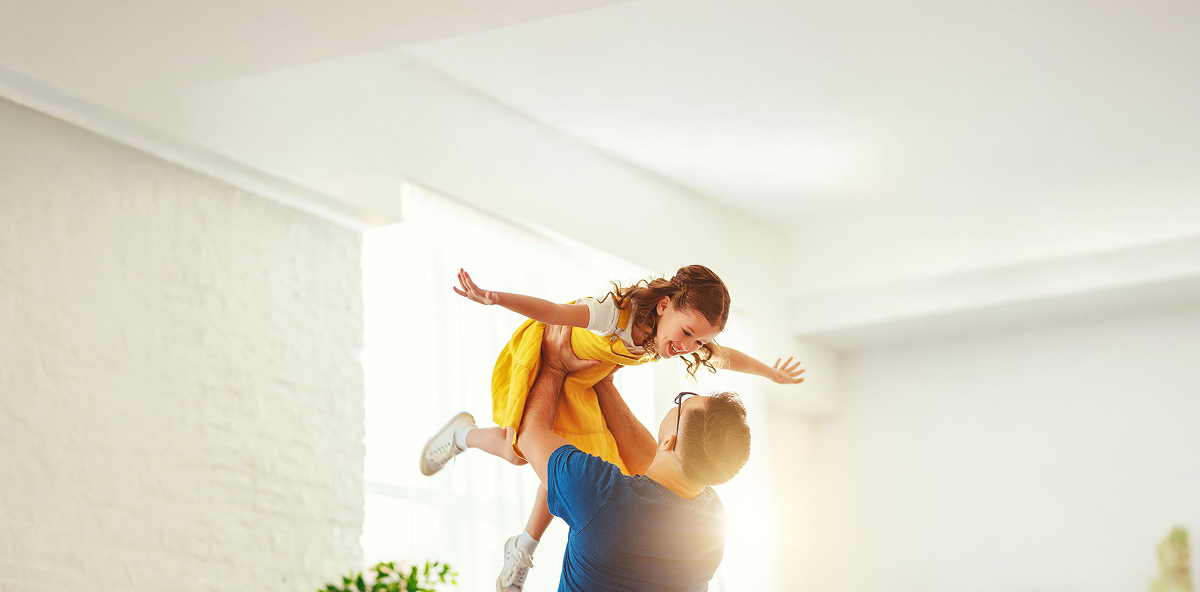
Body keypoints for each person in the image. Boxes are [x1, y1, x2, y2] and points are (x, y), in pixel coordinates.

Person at [420, 265, 803, 591]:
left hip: (575, 376)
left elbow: (726, 357)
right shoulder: (615, 315)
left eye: (699, 340)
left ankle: (522, 545)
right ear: (664, 305)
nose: (690, 346)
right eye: (688, 334)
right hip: (550, 352)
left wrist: (768, 372)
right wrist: (495, 298)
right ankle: (460, 435)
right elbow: (553, 313)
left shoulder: (606, 495)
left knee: (560, 461)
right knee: (516, 450)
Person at [522, 324, 751, 591]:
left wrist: (554, 366)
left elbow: (530, 435)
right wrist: (604, 385)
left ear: (668, 441)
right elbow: (650, 465)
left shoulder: (602, 495)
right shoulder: (711, 524)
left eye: (683, 402)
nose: (676, 404)